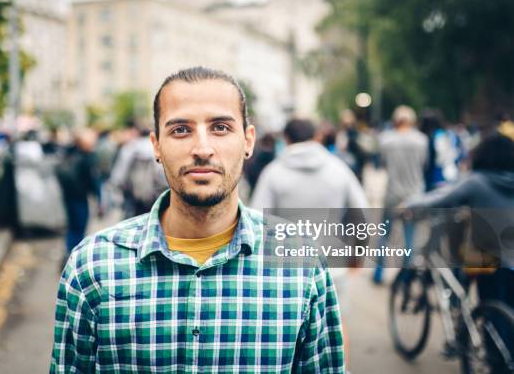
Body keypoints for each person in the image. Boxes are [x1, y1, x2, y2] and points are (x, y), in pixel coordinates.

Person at [50, 67, 345, 373]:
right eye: (180, 130)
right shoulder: (93, 267)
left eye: (220, 128)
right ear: (156, 145)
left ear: (248, 141)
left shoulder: (303, 266)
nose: (202, 149)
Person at [250, 117, 368, 365]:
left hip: (284, 268)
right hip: (333, 263)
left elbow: (257, 221)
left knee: (286, 333)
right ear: (317, 137)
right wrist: (358, 253)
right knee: (336, 327)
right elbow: (362, 213)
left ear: (287, 138)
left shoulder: (273, 172)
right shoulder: (338, 168)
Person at [404, 132, 514, 369]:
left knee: (492, 316)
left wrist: (410, 204)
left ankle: (495, 360)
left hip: (487, 257)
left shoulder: (477, 181)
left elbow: (442, 198)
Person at [373, 105, 428, 284]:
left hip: (392, 193)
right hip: (414, 194)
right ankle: (405, 277)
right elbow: (424, 165)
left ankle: (379, 272)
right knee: (410, 236)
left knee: (385, 235)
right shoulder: (421, 140)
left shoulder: (386, 140)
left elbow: (382, 164)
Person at [55, 129, 103, 257]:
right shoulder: (87, 158)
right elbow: (94, 181)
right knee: (79, 227)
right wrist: (99, 199)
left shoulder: (68, 153)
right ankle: (74, 255)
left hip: (68, 196)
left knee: (72, 226)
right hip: (80, 197)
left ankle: (69, 252)